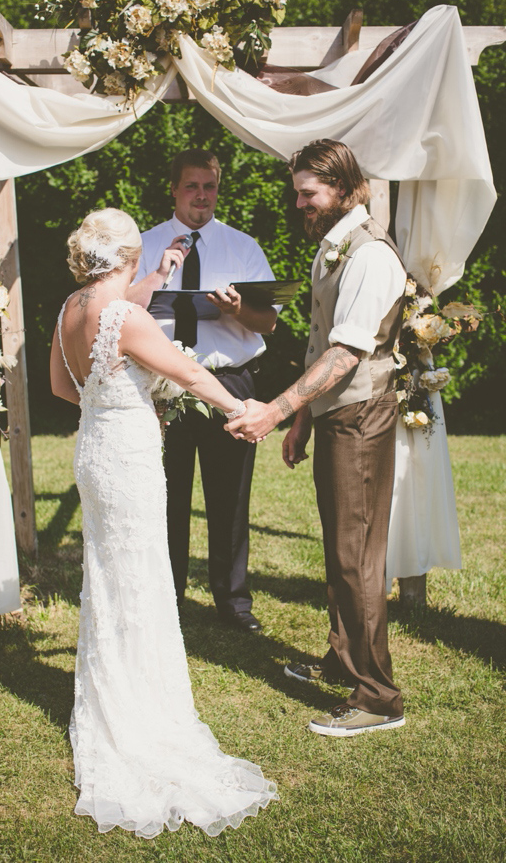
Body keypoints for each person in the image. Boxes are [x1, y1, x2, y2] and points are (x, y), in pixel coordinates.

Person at [50, 208, 277, 837]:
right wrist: (246, 406)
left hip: (93, 450)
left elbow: (62, 389)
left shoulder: (71, 308)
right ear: (125, 260)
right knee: (141, 574)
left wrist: (115, 393)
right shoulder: (126, 316)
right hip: (126, 456)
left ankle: (107, 694)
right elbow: (192, 371)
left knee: (110, 574)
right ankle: (143, 712)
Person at [226, 139, 407, 737]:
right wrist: (304, 421)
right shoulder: (332, 247)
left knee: (357, 556)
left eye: (309, 193)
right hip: (333, 415)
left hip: (361, 416)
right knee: (340, 547)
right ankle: (342, 658)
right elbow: (318, 342)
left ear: (344, 189)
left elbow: (347, 352)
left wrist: (278, 409)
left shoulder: (370, 256)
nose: (299, 203)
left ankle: (378, 697)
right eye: (298, 191)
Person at [129, 149, 278, 632]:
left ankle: (233, 602)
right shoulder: (144, 245)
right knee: (165, 494)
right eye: (192, 186)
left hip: (228, 382)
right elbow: (119, 311)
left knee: (231, 496)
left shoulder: (243, 247)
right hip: (159, 386)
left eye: (209, 186)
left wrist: (238, 310)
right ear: (173, 189)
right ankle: (166, 598)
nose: (201, 195)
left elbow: (269, 322)